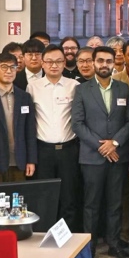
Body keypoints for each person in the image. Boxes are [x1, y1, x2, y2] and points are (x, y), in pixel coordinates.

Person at [73, 45, 129, 258]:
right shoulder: (82, 90)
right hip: (92, 157)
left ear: (114, 64)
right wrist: (102, 146)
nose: (104, 65)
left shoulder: (123, 89)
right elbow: (77, 124)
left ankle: (114, 244)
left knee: (115, 203)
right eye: (100, 61)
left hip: (118, 156)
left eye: (109, 61)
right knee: (91, 204)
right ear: (93, 62)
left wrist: (115, 142)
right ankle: (89, 247)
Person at [31, 44, 83, 232]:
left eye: (59, 61)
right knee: (44, 196)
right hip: (43, 150)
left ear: (64, 63)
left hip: (68, 149)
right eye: (50, 62)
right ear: (42, 63)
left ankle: (68, 236)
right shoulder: (33, 87)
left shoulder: (74, 86)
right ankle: (44, 234)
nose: (54, 65)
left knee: (69, 196)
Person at [0, 53, 37, 183]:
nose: (9, 71)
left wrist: (31, 160)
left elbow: (30, 131)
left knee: (19, 195)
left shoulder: (25, 97)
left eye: (13, 67)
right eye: (4, 67)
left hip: (20, 161)